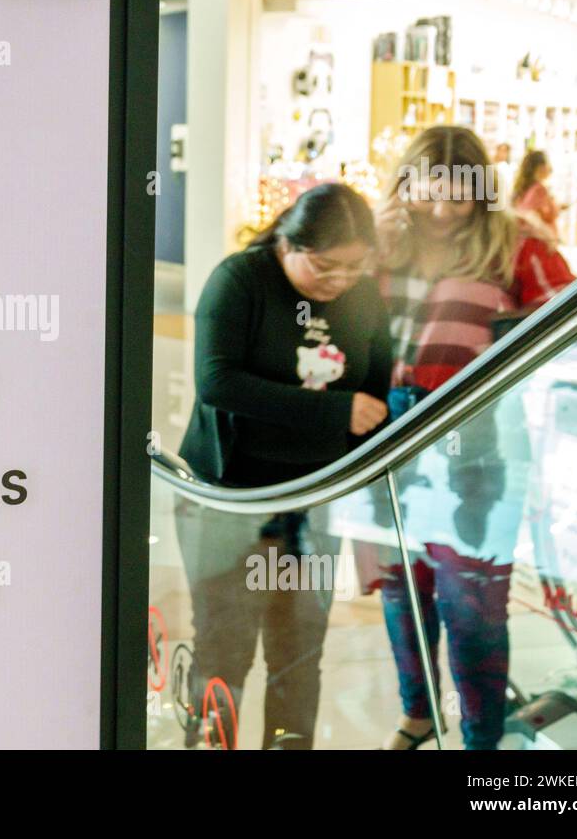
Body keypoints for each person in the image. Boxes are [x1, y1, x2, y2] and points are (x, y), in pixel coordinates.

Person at [368, 126, 574, 750]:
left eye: (460, 194)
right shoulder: (382, 237)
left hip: (479, 439)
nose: (443, 208)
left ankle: (481, 744)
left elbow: (574, 326)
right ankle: (419, 713)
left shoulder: (515, 242)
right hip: (386, 435)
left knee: (472, 601)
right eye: (430, 189)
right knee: (401, 586)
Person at [175, 182, 392, 749]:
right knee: (224, 648)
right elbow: (217, 382)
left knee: (299, 654)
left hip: (314, 502)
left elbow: (376, 397)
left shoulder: (365, 296)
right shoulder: (241, 280)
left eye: (353, 266)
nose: (340, 281)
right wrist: (334, 409)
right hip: (231, 499)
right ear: (288, 243)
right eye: (325, 266)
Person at [511, 149, 561, 239]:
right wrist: (547, 234)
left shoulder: (524, 187)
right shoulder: (539, 189)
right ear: (540, 167)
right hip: (540, 243)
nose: (550, 168)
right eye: (548, 164)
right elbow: (528, 213)